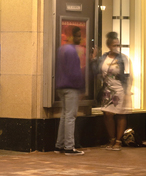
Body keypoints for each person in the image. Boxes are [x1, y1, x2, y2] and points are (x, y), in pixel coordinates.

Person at [92, 31, 130, 151]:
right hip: (107, 89)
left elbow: (127, 75)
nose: (116, 47)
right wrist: (93, 59)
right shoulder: (104, 57)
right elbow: (96, 71)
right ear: (109, 45)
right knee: (107, 114)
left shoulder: (123, 58)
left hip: (119, 88)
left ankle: (118, 141)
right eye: (114, 45)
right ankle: (111, 139)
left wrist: (127, 91)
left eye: (118, 45)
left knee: (120, 114)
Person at [54, 26, 85, 155]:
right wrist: (81, 88)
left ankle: (59, 145)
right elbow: (75, 72)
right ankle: (69, 147)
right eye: (78, 35)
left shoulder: (61, 49)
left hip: (60, 86)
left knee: (64, 116)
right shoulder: (72, 51)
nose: (80, 38)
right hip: (71, 87)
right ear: (72, 36)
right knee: (70, 117)